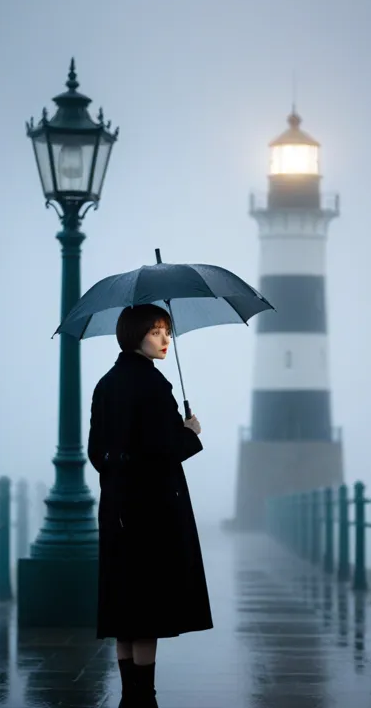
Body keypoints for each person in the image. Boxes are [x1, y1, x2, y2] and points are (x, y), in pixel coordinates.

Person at [87, 303, 213, 708]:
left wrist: (120, 471)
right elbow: (163, 449)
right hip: (153, 510)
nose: (165, 340)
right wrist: (189, 432)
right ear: (135, 334)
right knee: (148, 610)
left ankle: (130, 696)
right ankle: (146, 698)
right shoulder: (154, 386)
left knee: (126, 607)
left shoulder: (106, 384)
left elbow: (97, 452)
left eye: (167, 331)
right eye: (157, 331)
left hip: (118, 508)